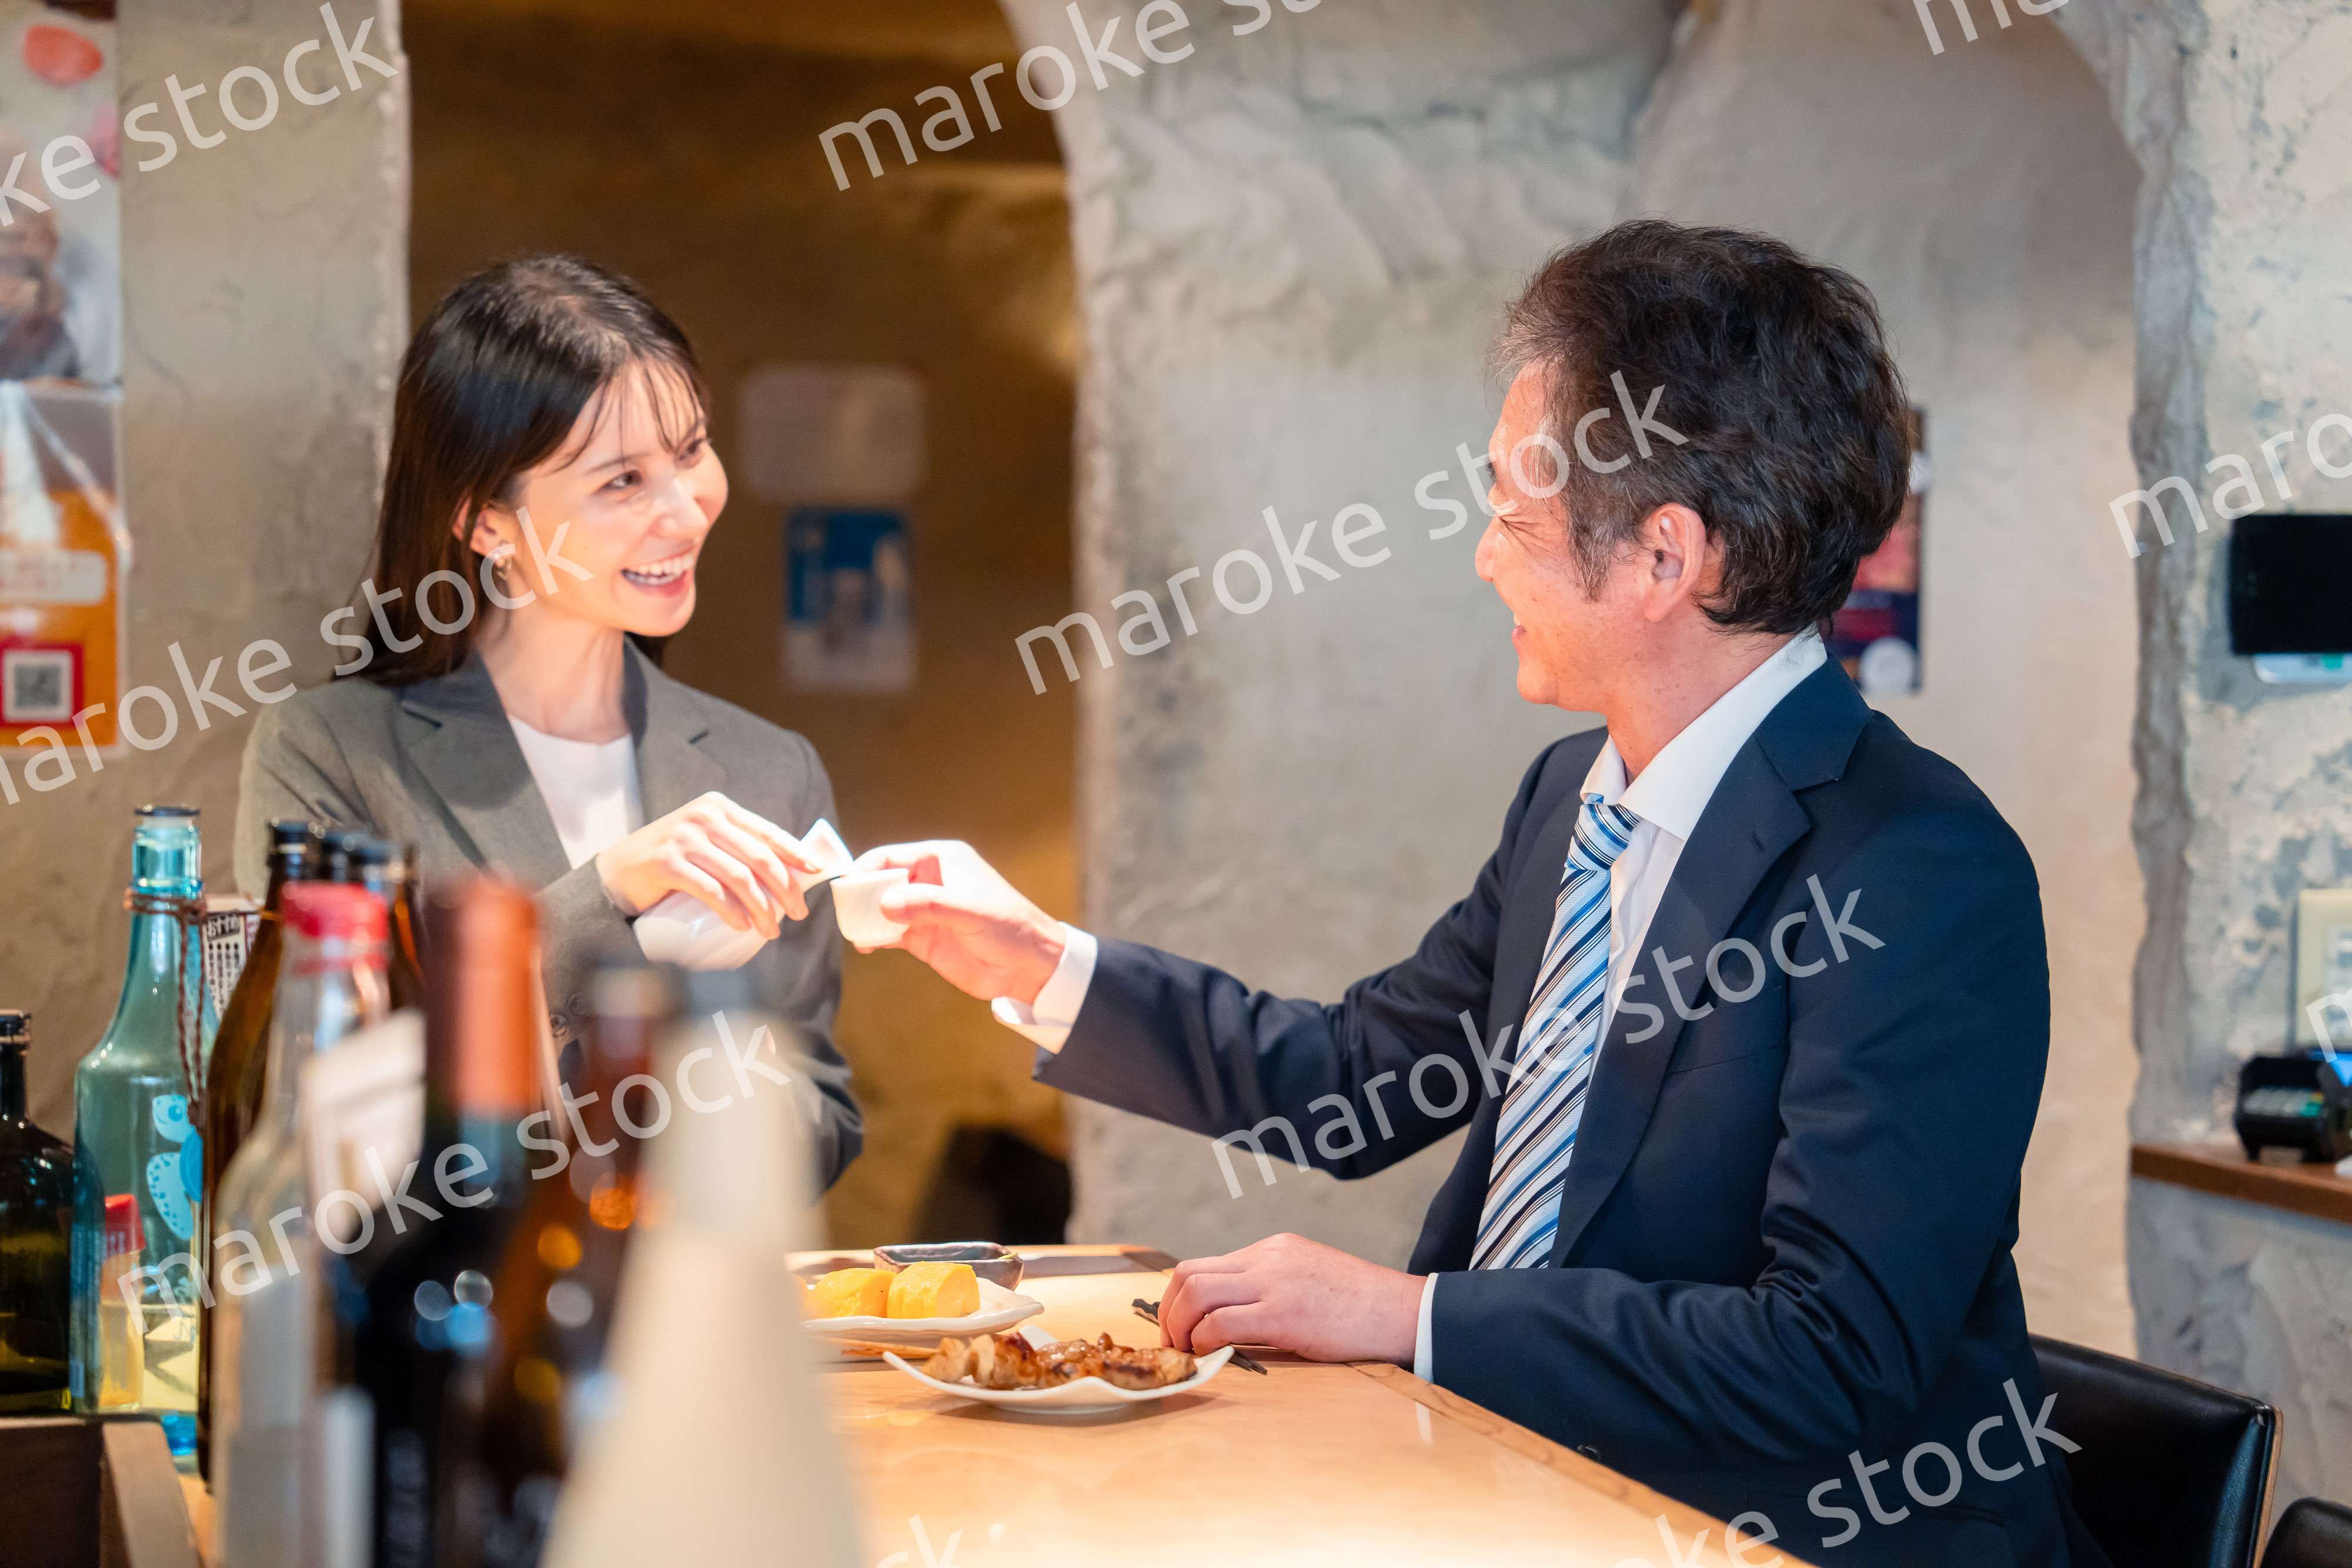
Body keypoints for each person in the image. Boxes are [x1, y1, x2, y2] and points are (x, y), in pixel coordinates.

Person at [862, 222, 2104, 1567]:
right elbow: (1356, 1076)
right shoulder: (1571, 792)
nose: (1482, 557)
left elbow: (1828, 1353)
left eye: (1511, 513)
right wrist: (1036, 959)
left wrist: (1409, 1316)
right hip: (1521, 1493)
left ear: (1665, 557)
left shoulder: (1915, 865)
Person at [235, 255, 858, 1188]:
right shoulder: (328, 755)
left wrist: (714, 1062)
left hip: (693, 1274)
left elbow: (823, 1122)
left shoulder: (772, 770)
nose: (686, 512)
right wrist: (603, 897)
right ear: (487, 523)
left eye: (692, 451)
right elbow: (328, 1124)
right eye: (623, 481)